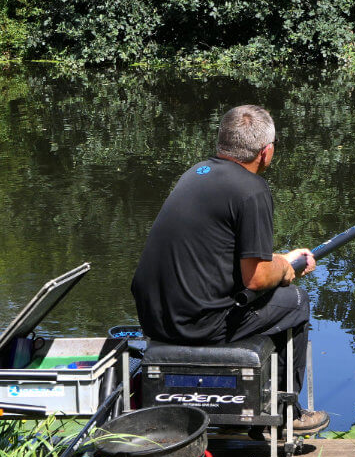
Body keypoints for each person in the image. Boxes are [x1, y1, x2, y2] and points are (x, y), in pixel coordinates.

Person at [131, 104, 330, 434]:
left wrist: (282, 259)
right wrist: (285, 268)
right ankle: (286, 415)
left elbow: (223, 255)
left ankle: (258, 400)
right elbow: (256, 277)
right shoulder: (252, 190)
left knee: (276, 291)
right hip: (196, 325)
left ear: (223, 141)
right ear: (265, 152)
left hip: (153, 317)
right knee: (296, 302)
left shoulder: (197, 173)